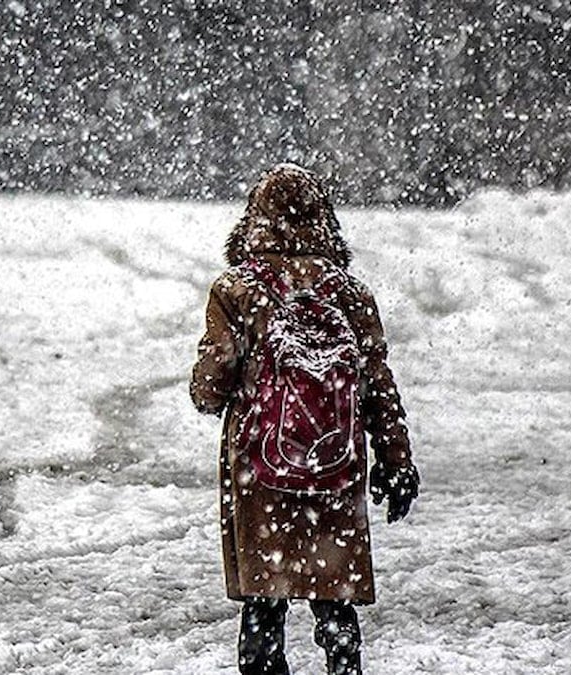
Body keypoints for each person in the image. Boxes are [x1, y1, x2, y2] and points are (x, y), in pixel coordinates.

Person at [190, 164, 419, 675]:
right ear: (325, 222)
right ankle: (342, 666)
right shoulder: (350, 294)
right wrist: (396, 459)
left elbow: (214, 380)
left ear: (254, 221)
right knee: (333, 595)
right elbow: (377, 383)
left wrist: (208, 391)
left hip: (260, 467)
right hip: (334, 465)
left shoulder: (237, 291)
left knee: (264, 603)